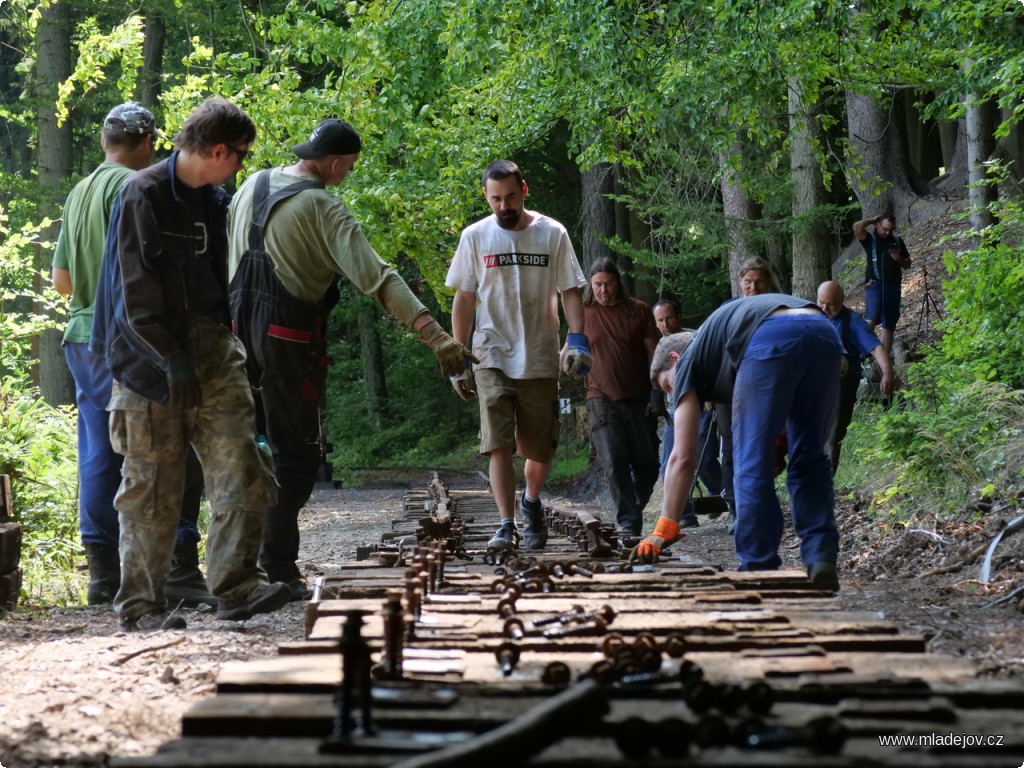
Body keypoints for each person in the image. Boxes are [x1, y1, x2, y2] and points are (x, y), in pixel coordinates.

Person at [227, 118, 474, 598]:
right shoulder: (323, 207)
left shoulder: (249, 186)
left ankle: (237, 567)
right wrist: (436, 336)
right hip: (287, 342)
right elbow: (379, 279)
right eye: (351, 167)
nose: (349, 174)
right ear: (336, 163)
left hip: (234, 337)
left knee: (238, 451)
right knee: (294, 455)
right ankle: (275, 567)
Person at [91, 97, 292, 631]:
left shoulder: (215, 202)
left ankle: (236, 587)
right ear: (219, 149)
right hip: (146, 357)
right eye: (241, 155)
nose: (242, 165)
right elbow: (130, 302)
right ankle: (141, 604)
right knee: (152, 484)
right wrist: (170, 362)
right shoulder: (142, 193)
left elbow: (220, 288)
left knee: (241, 464)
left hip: (210, 348)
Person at [51, 102, 213, 609]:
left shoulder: (78, 192)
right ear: (147, 144)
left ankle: (103, 573)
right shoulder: (135, 189)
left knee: (99, 452)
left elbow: (62, 282)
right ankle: (179, 564)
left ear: (104, 141)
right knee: (169, 441)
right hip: (128, 339)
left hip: (79, 338)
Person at [636, 294, 843, 593]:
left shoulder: (689, 358)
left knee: (749, 464)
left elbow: (683, 456)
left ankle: (759, 569)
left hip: (769, 334)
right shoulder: (720, 345)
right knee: (810, 456)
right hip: (823, 331)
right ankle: (821, 557)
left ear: (673, 359)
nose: (673, 394)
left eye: (668, 385)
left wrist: (664, 528)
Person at [446, 160, 587, 551]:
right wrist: (458, 354)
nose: (503, 205)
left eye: (510, 197)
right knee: (499, 444)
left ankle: (531, 501)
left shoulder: (551, 233)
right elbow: (464, 298)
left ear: (523, 189)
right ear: (486, 198)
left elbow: (571, 289)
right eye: (495, 199)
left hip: (540, 353)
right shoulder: (475, 236)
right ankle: (506, 524)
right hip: (490, 353)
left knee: (540, 448)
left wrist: (577, 338)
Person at [583, 258, 661, 534]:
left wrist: (656, 392)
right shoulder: (582, 312)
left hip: (639, 396)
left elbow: (655, 353)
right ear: (590, 285)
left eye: (609, 284)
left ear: (618, 282)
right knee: (614, 461)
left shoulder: (638, 311)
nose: (603, 290)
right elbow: (570, 348)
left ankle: (633, 507)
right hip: (600, 396)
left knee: (648, 464)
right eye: (598, 285)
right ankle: (629, 522)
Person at [651, 299, 722, 528]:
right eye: (660, 320)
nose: (665, 323)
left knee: (703, 458)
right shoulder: (659, 346)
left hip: (703, 408)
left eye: (669, 318)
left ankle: (721, 491)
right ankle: (683, 513)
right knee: (669, 461)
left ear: (679, 316)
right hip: (675, 412)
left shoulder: (695, 338)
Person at [816, 280, 896, 473]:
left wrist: (887, 373)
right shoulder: (811, 316)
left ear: (842, 301)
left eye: (831, 304)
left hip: (840, 387)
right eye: (821, 303)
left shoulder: (852, 322)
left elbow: (876, 348)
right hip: (813, 384)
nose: (825, 308)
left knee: (832, 438)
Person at [853, 211, 911, 352]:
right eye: (885, 229)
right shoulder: (869, 239)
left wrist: (899, 259)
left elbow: (908, 263)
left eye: (891, 230)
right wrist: (871, 219)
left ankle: (882, 361)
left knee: (889, 325)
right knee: (872, 317)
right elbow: (857, 227)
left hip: (893, 286)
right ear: (878, 224)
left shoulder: (897, 241)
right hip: (874, 285)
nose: (887, 233)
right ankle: (863, 353)